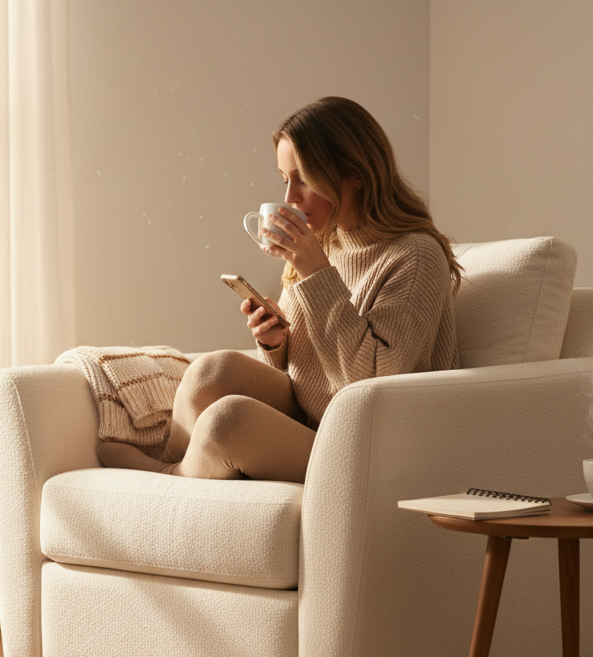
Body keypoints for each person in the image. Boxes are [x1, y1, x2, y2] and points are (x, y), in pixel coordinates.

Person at [99, 96, 462, 484]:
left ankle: (170, 474)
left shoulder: (415, 255)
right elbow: (302, 371)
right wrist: (274, 343)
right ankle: (177, 458)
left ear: (355, 171)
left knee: (228, 421)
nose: (290, 198)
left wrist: (315, 271)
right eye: (284, 179)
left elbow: (369, 387)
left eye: (303, 177)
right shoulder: (324, 243)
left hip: (371, 440)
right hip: (315, 415)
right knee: (212, 370)